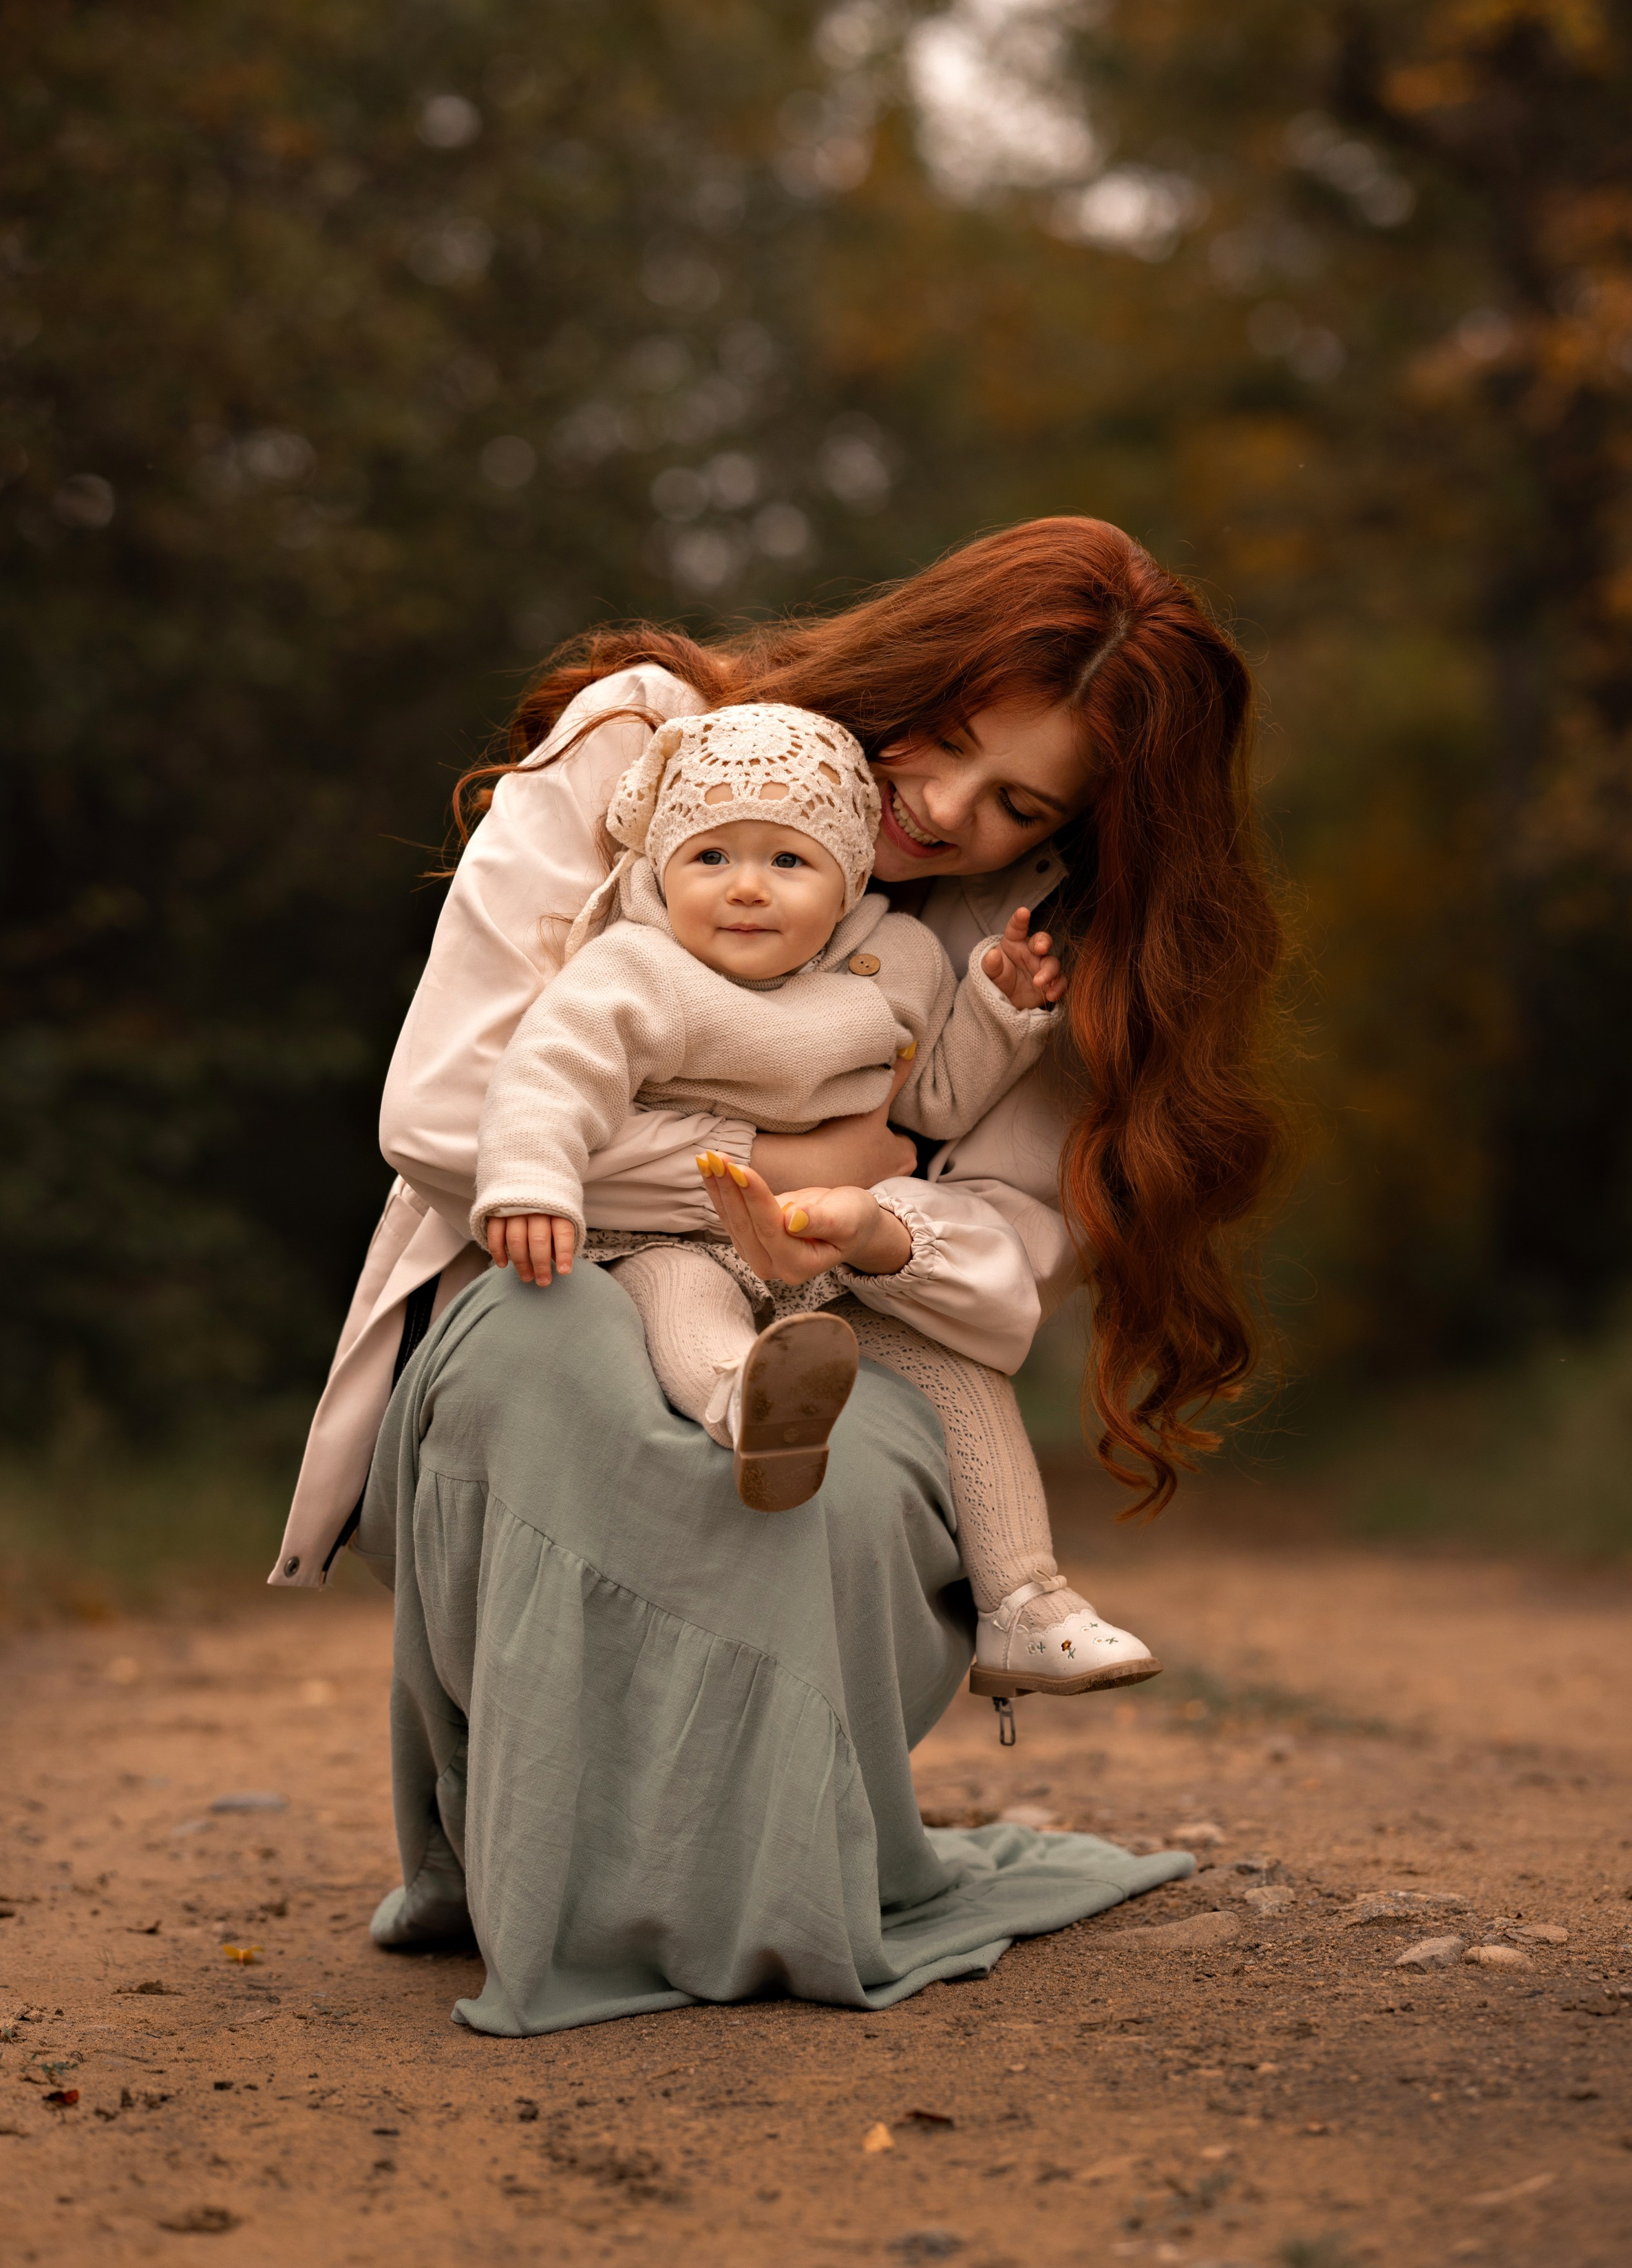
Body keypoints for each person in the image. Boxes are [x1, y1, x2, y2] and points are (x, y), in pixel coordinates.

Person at [274, 518, 1285, 2035]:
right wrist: (803, 1159)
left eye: (1017, 801)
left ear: (1074, 833)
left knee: (848, 1458)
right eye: (941, 738)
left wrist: (870, 1223)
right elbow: (440, 1119)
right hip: (545, 1248)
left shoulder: (1029, 945)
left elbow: (998, 1274)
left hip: (841, 1317)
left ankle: (760, 1874)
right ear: (909, 665)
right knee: (558, 1365)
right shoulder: (648, 748)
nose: (940, 808)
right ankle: (536, 1866)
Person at [467, 697, 1161, 1696]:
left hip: (822, 1264)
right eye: (711, 858)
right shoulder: (635, 966)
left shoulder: (900, 963)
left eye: (788, 862)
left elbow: (930, 1100)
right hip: (668, 1232)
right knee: (683, 1301)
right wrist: (533, 1181)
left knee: (964, 1379)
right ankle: (748, 1399)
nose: (746, 889)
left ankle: (1026, 1605)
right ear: (665, 866)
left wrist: (1001, 1011)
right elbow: (548, 1075)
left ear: (844, 882)